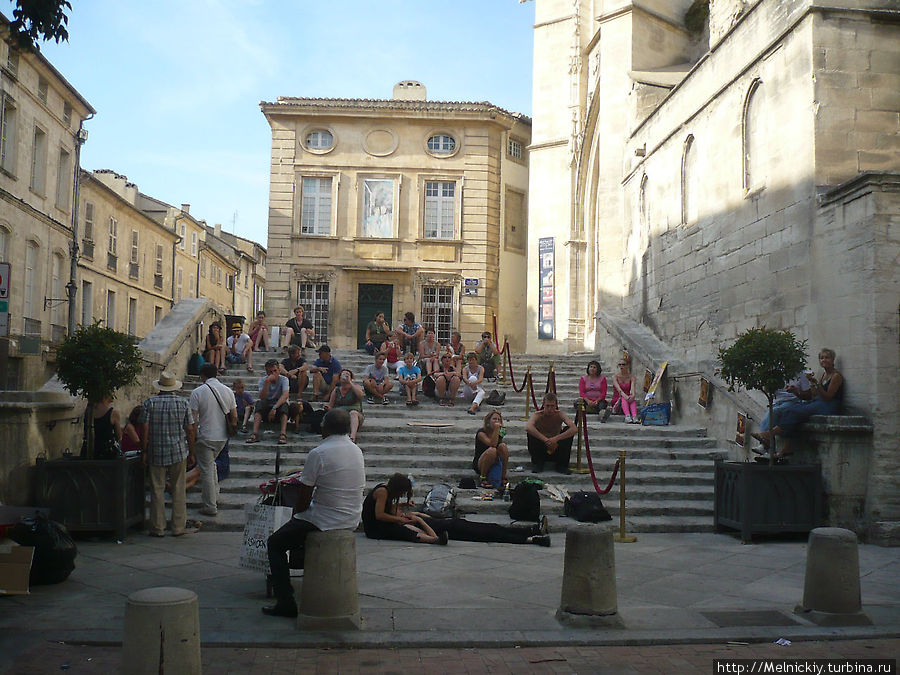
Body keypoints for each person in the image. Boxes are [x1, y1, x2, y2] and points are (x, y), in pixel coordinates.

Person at [262, 409, 365, 618]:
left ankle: (286, 601)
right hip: (352, 515)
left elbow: (303, 496)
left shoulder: (319, 453)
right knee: (295, 531)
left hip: (326, 518)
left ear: (324, 428)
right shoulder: (356, 450)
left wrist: (297, 514)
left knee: (275, 543)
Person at [752, 348, 844, 458]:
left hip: (829, 405)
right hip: (818, 402)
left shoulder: (836, 376)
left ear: (833, 359)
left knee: (794, 412)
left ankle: (768, 435)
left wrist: (816, 384)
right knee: (789, 411)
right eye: (821, 358)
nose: (824, 360)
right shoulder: (823, 375)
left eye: (827, 358)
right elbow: (814, 395)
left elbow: (828, 397)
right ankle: (786, 448)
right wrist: (808, 385)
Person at [139, 371, 199, 537]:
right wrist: (192, 452)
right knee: (179, 488)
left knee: (156, 489)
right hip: (178, 451)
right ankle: (178, 527)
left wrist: (144, 450)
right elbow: (190, 429)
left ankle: (157, 527)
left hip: (156, 451)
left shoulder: (149, 403)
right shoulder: (183, 403)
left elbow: (144, 428)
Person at [189, 363, 238, 517]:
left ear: (202, 375)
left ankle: (210, 506)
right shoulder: (228, 391)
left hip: (205, 436)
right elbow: (234, 416)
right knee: (212, 467)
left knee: (207, 471)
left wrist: (192, 438)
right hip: (222, 437)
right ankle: (215, 497)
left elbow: (193, 420)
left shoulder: (197, 392)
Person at [362, 473, 446, 545]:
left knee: (410, 528)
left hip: (381, 524)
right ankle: (435, 540)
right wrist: (401, 519)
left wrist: (403, 505)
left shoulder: (385, 489)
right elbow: (380, 515)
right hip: (375, 528)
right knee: (404, 531)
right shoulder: (382, 492)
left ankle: (433, 537)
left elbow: (386, 507)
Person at [525, 392, 577, 474]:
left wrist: (555, 439)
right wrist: (545, 440)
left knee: (567, 430)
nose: (550, 409)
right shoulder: (537, 415)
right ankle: (537, 464)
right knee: (532, 431)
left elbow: (574, 429)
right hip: (541, 448)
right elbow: (528, 427)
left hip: (557, 448)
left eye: (552, 406)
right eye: (547, 406)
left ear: (556, 406)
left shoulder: (560, 414)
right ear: (543, 405)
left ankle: (562, 465)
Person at [247, 359, 290, 445]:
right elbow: (262, 397)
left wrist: (274, 408)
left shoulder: (284, 379)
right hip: (267, 406)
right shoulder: (263, 380)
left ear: (279, 371)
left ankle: (283, 434)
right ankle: (255, 433)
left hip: (278, 407)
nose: (273, 373)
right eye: (270, 372)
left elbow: (285, 395)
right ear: (267, 372)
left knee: (284, 405)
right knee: (259, 404)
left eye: (275, 371)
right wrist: (267, 382)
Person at [325, 369, 365, 443]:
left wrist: (350, 382)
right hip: (341, 415)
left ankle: (352, 437)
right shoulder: (336, 390)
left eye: (347, 375)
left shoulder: (356, 387)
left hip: (355, 415)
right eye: (343, 375)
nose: (345, 376)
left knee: (353, 413)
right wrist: (328, 408)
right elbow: (330, 405)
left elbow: (361, 396)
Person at [474, 410, 509, 489]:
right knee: (492, 450)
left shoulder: (499, 433)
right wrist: (496, 429)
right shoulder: (481, 433)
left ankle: (503, 477)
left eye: (498, 419)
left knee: (503, 446)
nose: (497, 421)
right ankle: (483, 478)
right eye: (494, 419)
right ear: (488, 421)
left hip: (495, 460)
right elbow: (492, 444)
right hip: (482, 462)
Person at [92, 394, 122, 459]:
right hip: (106, 451)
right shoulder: (113, 413)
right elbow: (119, 436)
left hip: (91, 448)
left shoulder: (89, 411)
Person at [611, 357, 639, 423]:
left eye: (623, 364)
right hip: (618, 398)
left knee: (632, 399)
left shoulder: (632, 377)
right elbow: (619, 390)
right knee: (624, 398)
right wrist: (626, 396)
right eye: (619, 364)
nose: (621, 366)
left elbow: (632, 389)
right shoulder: (615, 377)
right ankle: (627, 416)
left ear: (628, 366)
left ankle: (634, 416)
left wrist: (632, 395)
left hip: (628, 398)